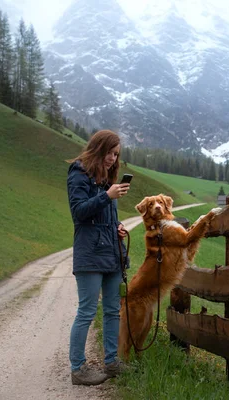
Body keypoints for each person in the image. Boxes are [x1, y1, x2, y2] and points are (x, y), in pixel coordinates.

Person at [66, 130, 130, 385]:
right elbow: (79, 212)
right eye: (110, 153)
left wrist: (118, 226)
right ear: (98, 148)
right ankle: (78, 368)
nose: (113, 159)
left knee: (113, 310)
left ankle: (112, 362)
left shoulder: (107, 180)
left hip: (111, 253)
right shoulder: (78, 173)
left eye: (116, 155)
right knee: (87, 311)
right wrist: (107, 196)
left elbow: (104, 217)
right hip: (90, 253)